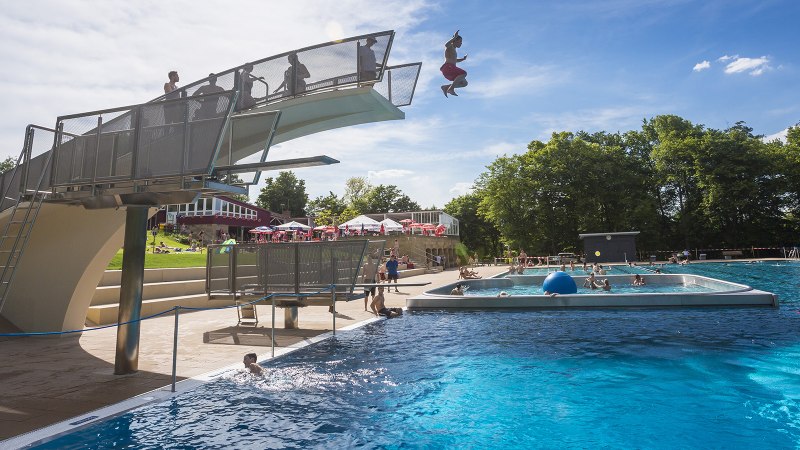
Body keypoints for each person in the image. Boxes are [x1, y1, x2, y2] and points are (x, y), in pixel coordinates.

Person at [440, 30, 468, 97]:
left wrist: (463, 59)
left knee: (464, 83)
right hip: (447, 68)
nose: (461, 43)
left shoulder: (454, 50)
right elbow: (446, 45)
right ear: (455, 41)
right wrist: (454, 37)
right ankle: (451, 89)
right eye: (460, 41)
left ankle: (446, 87)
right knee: (464, 73)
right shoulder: (450, 47)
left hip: (450, 70)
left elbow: (455, 60)